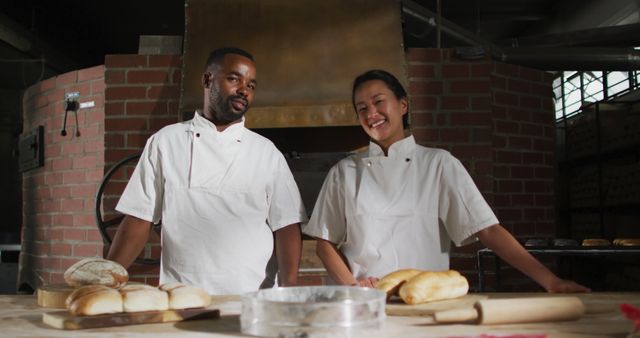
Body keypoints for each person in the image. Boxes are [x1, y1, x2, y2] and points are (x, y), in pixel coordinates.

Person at [303, 69, 590, 293]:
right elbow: (324, 243)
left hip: (426, 299)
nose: (371, 114)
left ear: (403, 105)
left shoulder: (438, 164)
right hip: (366, 303)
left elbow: (488, 230)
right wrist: (353, 287)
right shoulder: (344, 172)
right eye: (362, 108)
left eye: (379, 102)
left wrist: (551, 281)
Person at [107, 47, 307, 295]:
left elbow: (287, 225)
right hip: (182, 295)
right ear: (206, 79)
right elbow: (139, 218)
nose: (244, 90)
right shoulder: (166, 142)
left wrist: (289, 291)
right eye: (234, 79)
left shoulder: (267, 152)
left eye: (251, 85)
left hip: (253, 296)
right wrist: (106, 281)